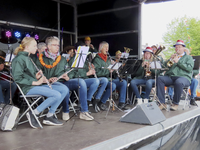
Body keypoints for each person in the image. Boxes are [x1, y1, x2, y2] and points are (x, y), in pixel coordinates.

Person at [12, 37, 69, 128]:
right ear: (27, 46)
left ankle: (49, 115)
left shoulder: (28, 58)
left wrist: (36, 76)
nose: (36, 48)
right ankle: (34, 113)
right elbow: (17, 78)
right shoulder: (19, 59)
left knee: (64, 89)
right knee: (56, 94)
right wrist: (36, 82)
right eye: (34, 46)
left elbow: (27, 75)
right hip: (27, 88)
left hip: (34, 85)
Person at [36, 37, 94, 121]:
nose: (57, 47)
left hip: (63, 81)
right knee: (64, 88)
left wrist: (68, 76)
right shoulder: (41, 59)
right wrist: (49, 79)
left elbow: (67, 70)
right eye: (55, 45)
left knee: (81, 82)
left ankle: (84, 111)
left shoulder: (62, 59)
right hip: (51, 83)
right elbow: (40, 75)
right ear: (48, 46)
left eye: (58, 45)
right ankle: (65, 110)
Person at [157, 40, 194, 111]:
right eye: (176, 47)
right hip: (171, 77)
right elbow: (165, 66)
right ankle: (162, 103)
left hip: (184, 77)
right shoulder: (174, 57)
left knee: (179, 82)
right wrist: (169, 59)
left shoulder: (188, 57)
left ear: (184, 48)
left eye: (179, 47)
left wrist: (178, 62)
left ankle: (175, 103)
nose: (177, 49)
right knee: (160, 79)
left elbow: (189, 69)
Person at [92, 41, 128, 110]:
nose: (107, 49)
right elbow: (97, 73)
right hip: (102, 80)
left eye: (107, 47)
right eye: (105, 47)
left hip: (109, 79)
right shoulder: (96, 59)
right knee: (113, 85)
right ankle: (102, 102)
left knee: (123, 82)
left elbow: (112, 73)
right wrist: (108, 70)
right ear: (101, 48)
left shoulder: (108, 59)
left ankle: (121, 103)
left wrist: (115, 68)